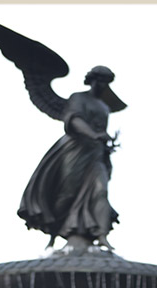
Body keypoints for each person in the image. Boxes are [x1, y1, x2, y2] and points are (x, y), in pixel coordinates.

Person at [17, 66, 123, 250]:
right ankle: (54, 230)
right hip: (75, 150)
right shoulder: (78, 98)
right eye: (101, 80)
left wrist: (107, 142)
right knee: (67, 193)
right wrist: (93, 134)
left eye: (107, 82)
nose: (103, 85)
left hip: (96, 154)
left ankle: (101, 234)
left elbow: (101, 131)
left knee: (100, 190)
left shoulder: (104, 107)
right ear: (92, 80)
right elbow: (74, 120)